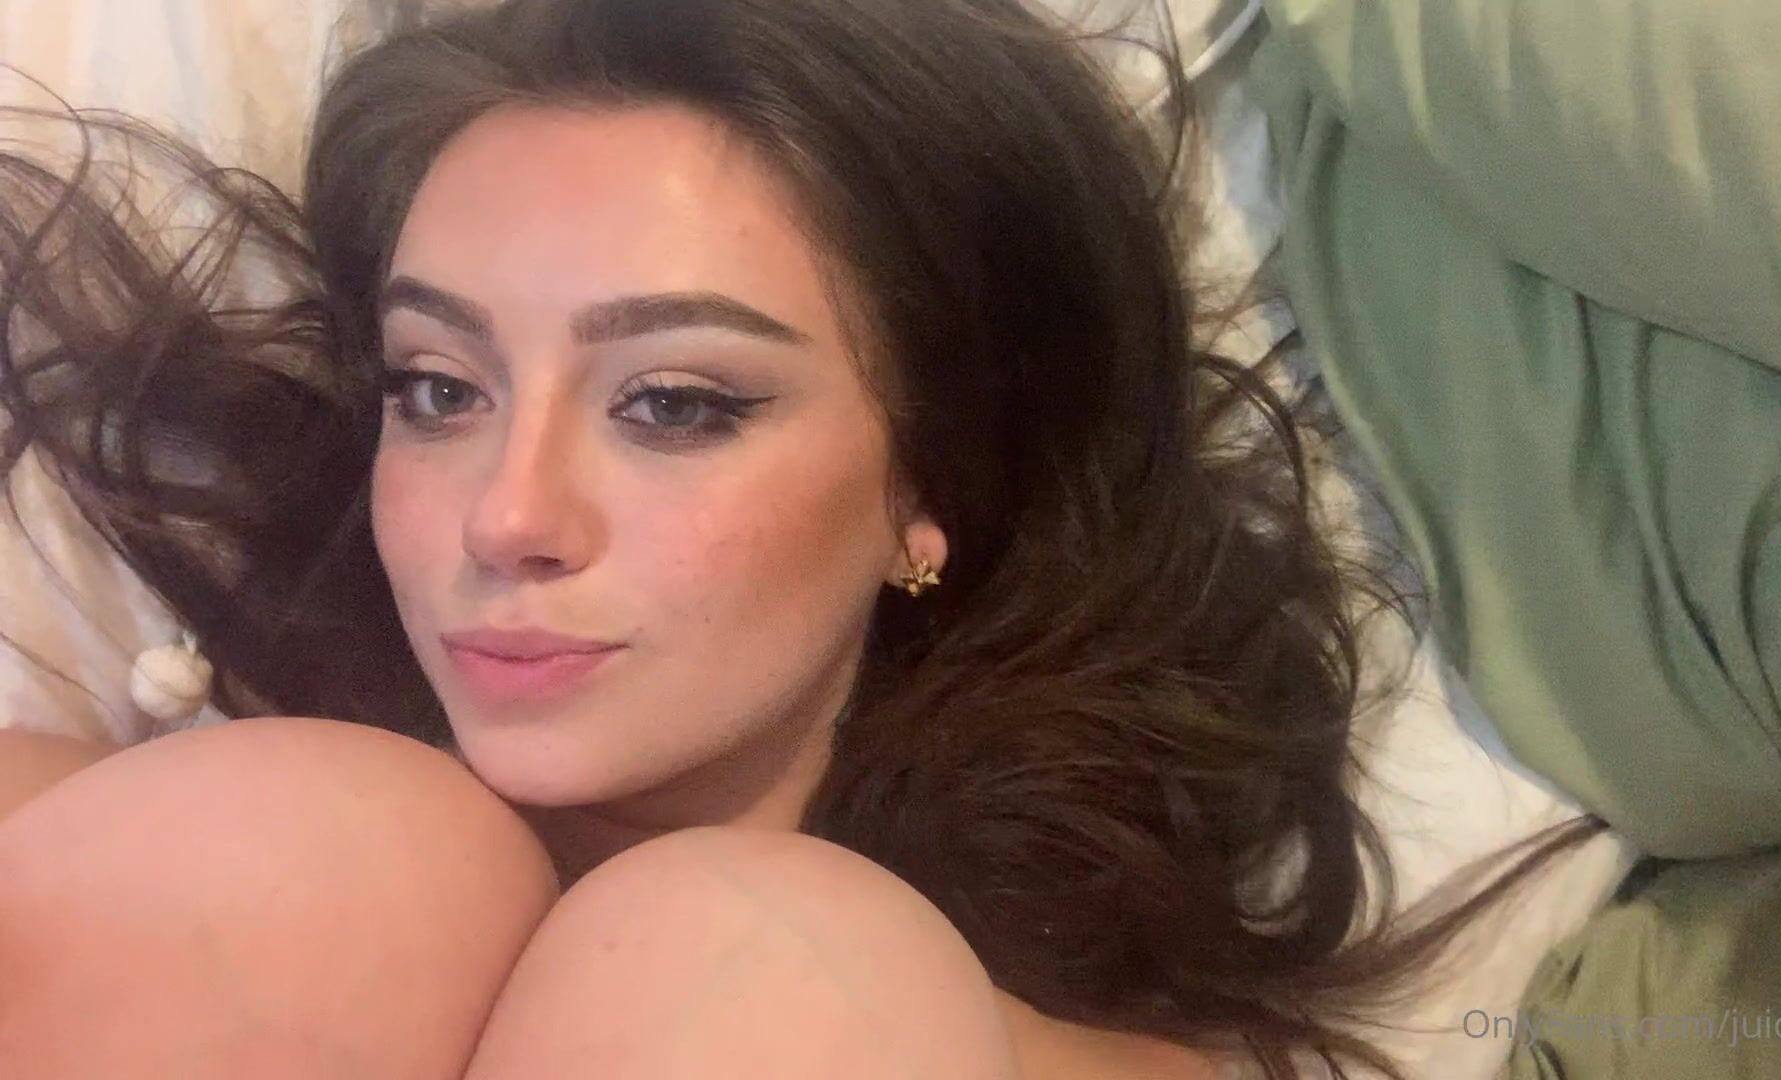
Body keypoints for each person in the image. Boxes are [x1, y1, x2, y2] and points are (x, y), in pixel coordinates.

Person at [0, 1, 1596, 1077]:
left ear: (929, 481)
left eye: (674, 403)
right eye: (438, 388)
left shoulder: (949, 1019)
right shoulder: (186, 834)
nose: (507, 516)